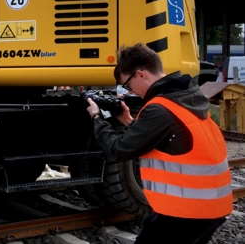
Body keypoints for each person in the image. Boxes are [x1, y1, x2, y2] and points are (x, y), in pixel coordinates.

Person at [86, 43, 231, 244]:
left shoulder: (159, 109)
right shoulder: (185, 98)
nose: (131, 91)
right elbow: (170, 140)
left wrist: (96, 118)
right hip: (211, 208)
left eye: (128, 85)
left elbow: (119, 149)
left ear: (141, 74)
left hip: (186, 213)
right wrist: (129, 121)